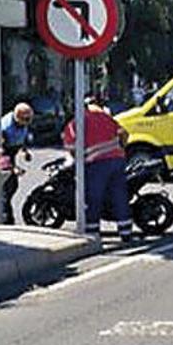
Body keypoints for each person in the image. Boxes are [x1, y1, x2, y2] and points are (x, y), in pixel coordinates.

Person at [62, 95, 133, 241]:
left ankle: (93, 231)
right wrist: (121, 148)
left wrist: (77, 159)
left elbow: (71, 147)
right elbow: (124, 133)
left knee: (94, 198)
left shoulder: (76, 123)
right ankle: (125, 231)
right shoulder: (105, 117)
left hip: (97, 164)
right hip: (117, 160)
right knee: (119, 196)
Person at [0, 103, 34, 224]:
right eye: (26, 119)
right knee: (6, 188)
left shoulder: (21, 123)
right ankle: (6, 220)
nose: (28, 122)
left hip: (12, 152)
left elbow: (21, 138)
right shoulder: (5, 128)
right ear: (18, 117)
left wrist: (25, 152)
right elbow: (1, 152)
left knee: (13, 186)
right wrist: (13, 168)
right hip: (2, 155)